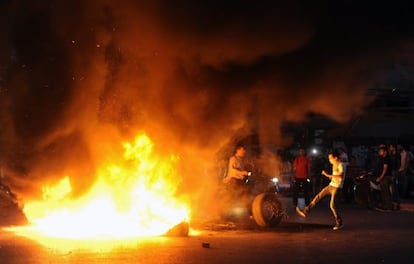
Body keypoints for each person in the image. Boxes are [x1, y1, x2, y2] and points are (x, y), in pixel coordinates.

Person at [296, 150, 344, 231]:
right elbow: (334, 176)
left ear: (336, 158)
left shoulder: (340, 165)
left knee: (332, 205)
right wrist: (330, 176)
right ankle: (305, 211)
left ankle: (339, 223)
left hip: (337, 187)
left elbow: (340, 176)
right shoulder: (333, 165)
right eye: (329, 158)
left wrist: (327, 174)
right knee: (318, 197)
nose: (330, 160)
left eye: (331, 158)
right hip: (331, 185)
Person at [375, 146, 393, 211]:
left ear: (385, 152)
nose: (380, 152)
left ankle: (388, 206)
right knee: (383, 191)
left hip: (387, 177)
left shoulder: (386, 158)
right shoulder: (383, 158)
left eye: (381, 151)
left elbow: (385, 169)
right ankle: (385, 206)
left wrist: (380, 177)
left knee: (385, 192)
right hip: (386, 177)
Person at [389, 144, 400, 209]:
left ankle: (396, 203)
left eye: (390, 147)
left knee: (394, 188)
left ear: (393, 147)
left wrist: (395, 171)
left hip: (395, 172)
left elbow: (398, 164)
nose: (390, 148)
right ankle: (394, 203)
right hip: (392, 172)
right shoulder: (391, 155)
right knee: (393, 188)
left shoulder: (397, 155)